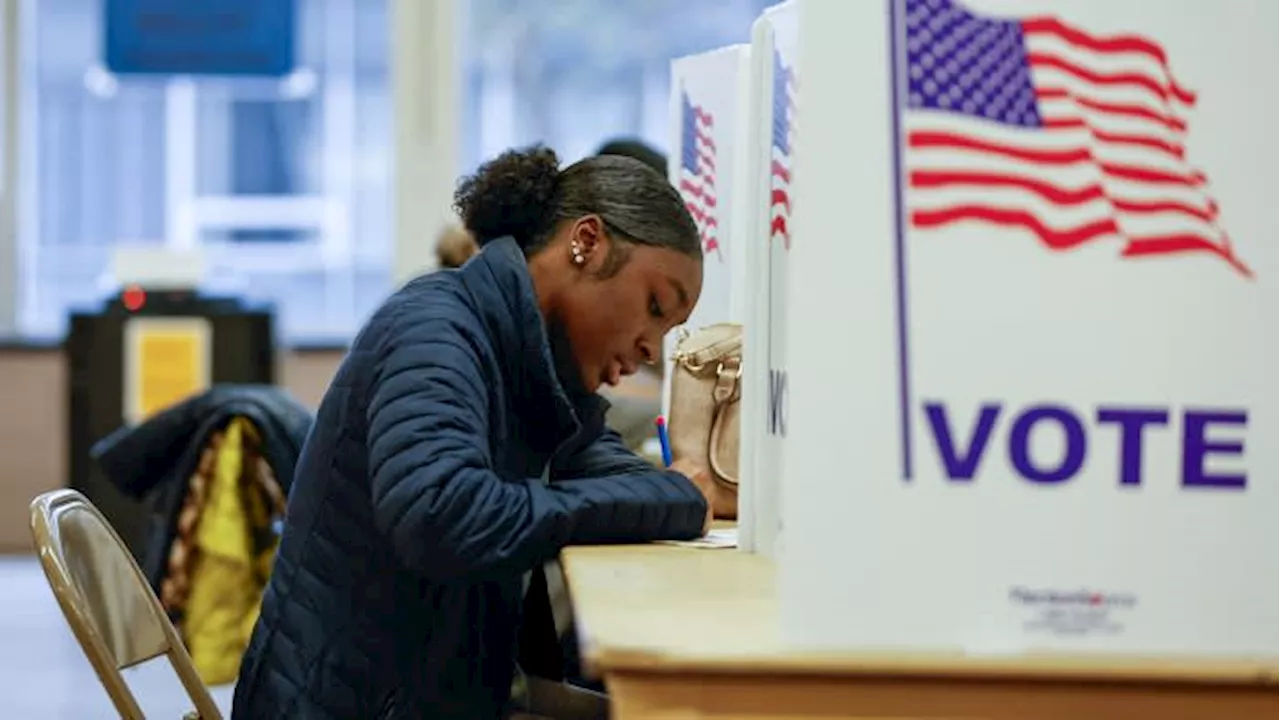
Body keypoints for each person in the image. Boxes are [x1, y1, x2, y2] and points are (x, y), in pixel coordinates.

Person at [231, 145, 715, 719]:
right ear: (586, 242)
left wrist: (685, 493)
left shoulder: (529, 357)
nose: (651, 348)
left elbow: (601, 464)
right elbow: (442, 516)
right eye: (654, 306)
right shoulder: (436, 331)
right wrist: (678, 494)